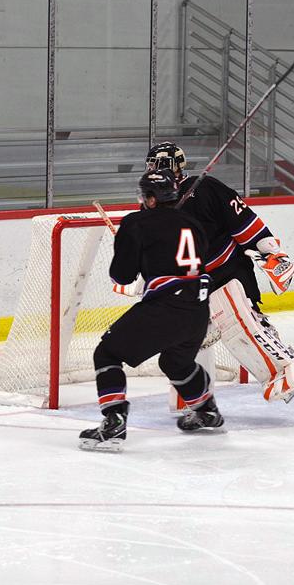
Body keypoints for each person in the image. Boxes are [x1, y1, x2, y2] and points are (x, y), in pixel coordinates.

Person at [142, 142, 294, 403]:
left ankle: (285, 368)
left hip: (228, 272)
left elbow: (247, 223)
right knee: (187, 340)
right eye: (150, 166)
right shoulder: (151, 206)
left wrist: (274, 254)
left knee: (235, 320)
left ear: (172, 167)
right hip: (192, 284)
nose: (152, 171)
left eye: (157, 165)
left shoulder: (205, 189)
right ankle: (198, 403)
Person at [78, 169, 223, 452]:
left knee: (107, 353)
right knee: (175, 363)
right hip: (198, 310)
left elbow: (122, 276)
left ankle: (114, 422)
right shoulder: (193, 223)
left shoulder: (137, 222)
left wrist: (127, 246)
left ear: (152, 199)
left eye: (145, 196)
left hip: (167, 308)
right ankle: (206, 410)